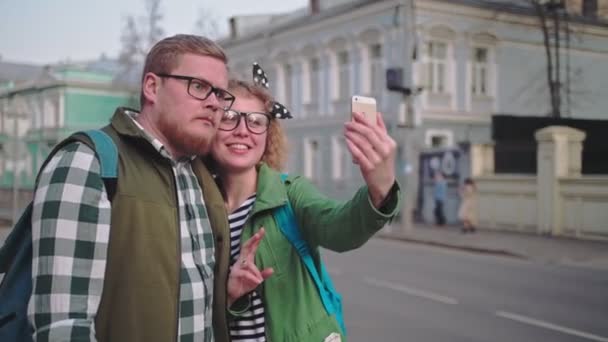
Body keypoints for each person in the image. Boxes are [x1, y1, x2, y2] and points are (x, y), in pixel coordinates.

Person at [28, 34, 236, 342]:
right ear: (152, 87)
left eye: (220, 93)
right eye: (199, 86)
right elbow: (62, 325)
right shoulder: (87, 162)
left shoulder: (199, 175)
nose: (214, 103)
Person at [208, 64, 401, 342]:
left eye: (256, 121)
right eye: (229, 118)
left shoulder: (290, 193)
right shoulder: (197, 205)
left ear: (267, 134)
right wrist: (229, 295)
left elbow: (341, 228)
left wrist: (379, 189)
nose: (242, 130)